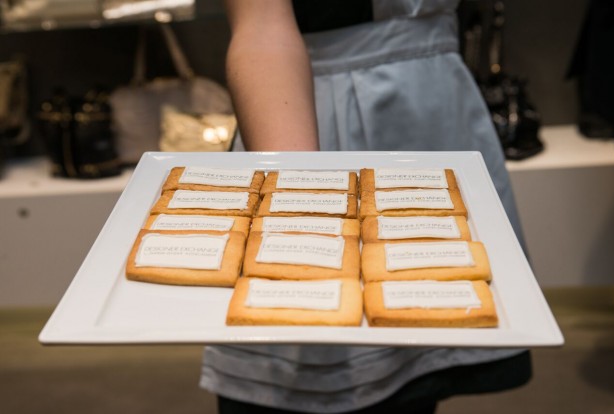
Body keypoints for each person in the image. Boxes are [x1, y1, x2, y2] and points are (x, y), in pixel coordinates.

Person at [200, 1, 532, 413]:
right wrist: (303, 197)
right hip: (308, 120)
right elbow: (263, 28)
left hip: (433, 117)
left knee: (416, 374)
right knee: (297, 372)